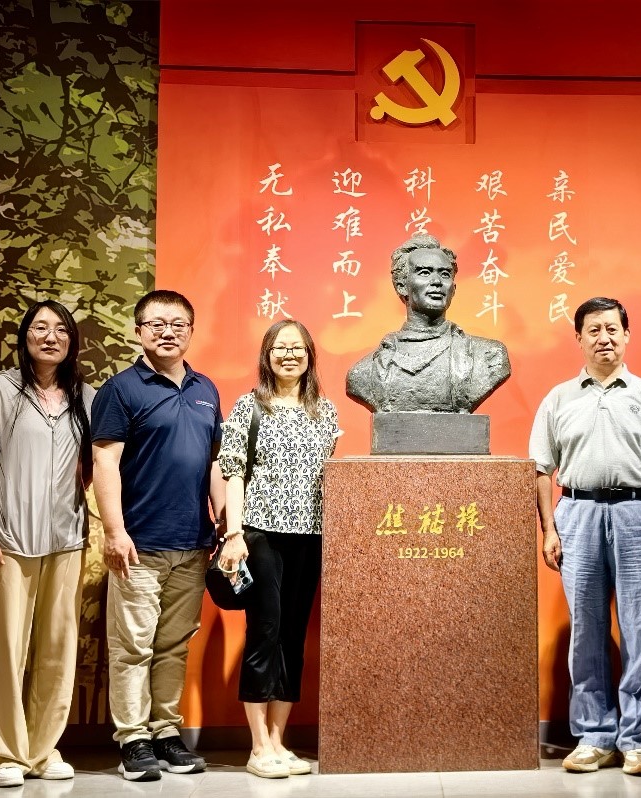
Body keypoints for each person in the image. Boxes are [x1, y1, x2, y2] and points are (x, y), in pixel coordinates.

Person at [529, 296, 641, 777]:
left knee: (640, 628)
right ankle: (594, 736)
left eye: (612, 329)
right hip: (577, 513)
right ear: (579, 338)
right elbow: (540, 470)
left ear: (627, 335)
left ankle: (636, 739)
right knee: (586, 629)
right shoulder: (559, 398)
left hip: (638, 513)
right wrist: (549, 529)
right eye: (594, 330)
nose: (604, 338)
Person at [91, 289, 224, 781]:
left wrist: (224, 522)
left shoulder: (205, 388)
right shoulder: (121, 389)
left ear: (191, 331)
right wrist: (114, 530)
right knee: (132, 647)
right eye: (157, 324)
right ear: (139, 331)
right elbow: (105, 461)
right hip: (138, 545)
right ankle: (133, 740)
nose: (168, 332)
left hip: (193, 543)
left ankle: (166, 732)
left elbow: (215, 462)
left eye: (178, 324)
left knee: (173, 645)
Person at [0, 301, 95, 787]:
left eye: (60, 329)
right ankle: (3, 755)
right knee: (5, 649)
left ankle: (43, 750)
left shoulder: (85, 396)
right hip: (8, 539)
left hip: (67, 538)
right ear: (25, 336)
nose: (50, 336)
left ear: (71, 341)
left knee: (58, 647)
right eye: (40, 327)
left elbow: (96, 464)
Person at [216, 320, 340, 778]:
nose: (290, 355)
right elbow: (234, 473)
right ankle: (257, 746)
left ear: (309, 355)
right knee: (264, 633)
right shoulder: (249, 406)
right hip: (261, 534)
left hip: (311, 535)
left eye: (298, 348)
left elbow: (331, 477)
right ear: (267, 355)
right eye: (280, 348)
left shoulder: (324, 410)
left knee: (293, 636)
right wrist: (234, 534)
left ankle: (279, 740)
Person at [346, 233, 510, 413]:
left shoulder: (489, 356)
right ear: (402, 285)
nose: (437, 282)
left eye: (445, 274)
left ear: (453, 289)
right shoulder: (365, 372)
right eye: (424, 272)